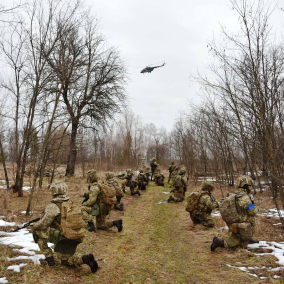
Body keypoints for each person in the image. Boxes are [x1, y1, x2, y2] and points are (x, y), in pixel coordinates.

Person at [33, 181, 98, 272]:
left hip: (63, 236)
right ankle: (85, 259)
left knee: (37, 232)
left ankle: (49, 260)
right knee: (66, 261)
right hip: (75, 235)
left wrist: (34, 225)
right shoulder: (70, 203)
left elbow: (43, 225)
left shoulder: (53, 206)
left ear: (52, 191)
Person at [211, 175, 258, 251]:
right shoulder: (244, 197)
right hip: (241, 222)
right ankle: (219, 243)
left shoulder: (236, 194)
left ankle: (247, 238)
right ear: (245, 186)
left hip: (235, 220)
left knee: (237, 237)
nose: (251, 188)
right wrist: (257, 209)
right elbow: (252, 211)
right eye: (250, 186)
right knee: (241, 245)